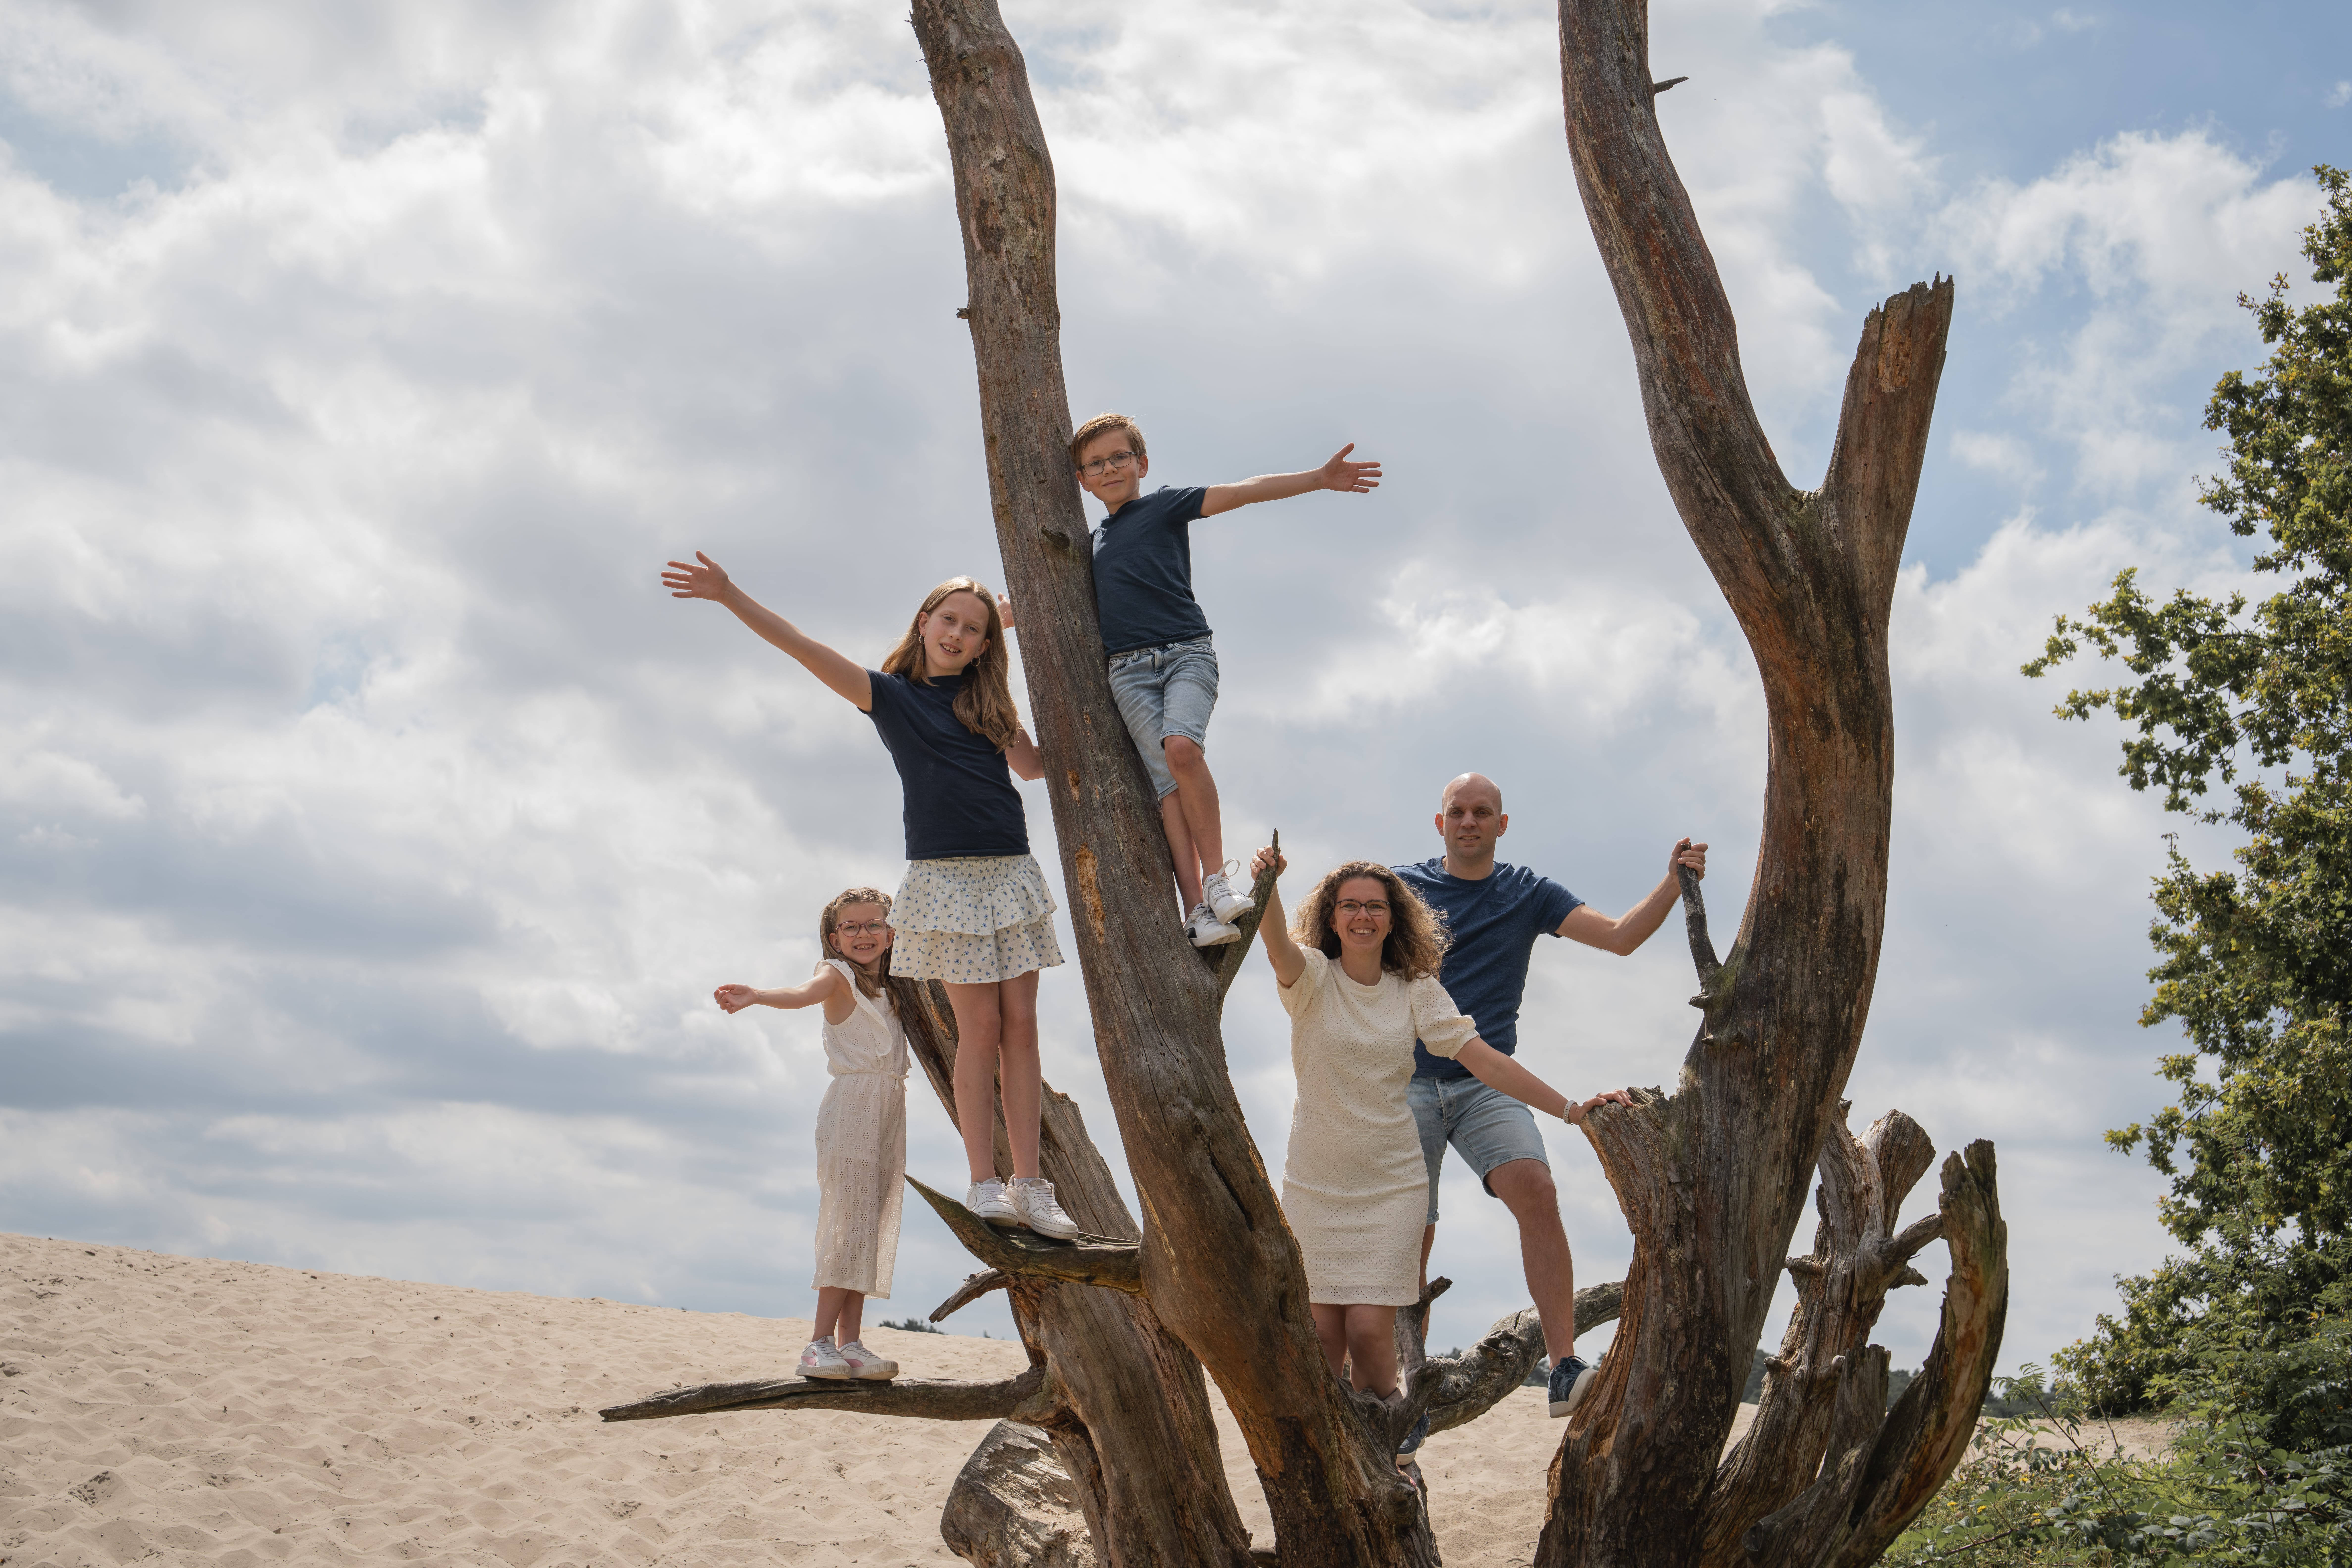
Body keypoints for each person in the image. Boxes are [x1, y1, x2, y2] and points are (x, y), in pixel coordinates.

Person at [664, 555, 1078, 1240]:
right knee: (978, 1033)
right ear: (923, 623)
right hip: (944, 880)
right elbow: (803, 648)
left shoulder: (991, 704)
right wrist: (730, 594)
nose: (957, 635)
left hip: (1010, 872)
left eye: (974, 630)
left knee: (1022, 1029)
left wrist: (1020, 641)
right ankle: (986, 1182)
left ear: (985, 646)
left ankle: (1032, 1184)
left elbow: (1034, 770)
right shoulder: (889, 695)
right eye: (948, 620)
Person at [1247, 843, 1630, 1450]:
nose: (1363, 917)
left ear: (1394, 918)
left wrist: (1569, 1110)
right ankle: (1335, 1460)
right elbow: (1275, 946)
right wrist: (1265, 887)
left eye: (1375, 906)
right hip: (1317, 1184)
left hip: (1392, 1181)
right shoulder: (1313, 980)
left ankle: (1392, 1447)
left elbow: (1487, 1063)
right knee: (1321, 1337)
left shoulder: (1416, 990)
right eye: (1349, 906)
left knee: (1373, 1331)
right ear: (1332, 916)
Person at [1395, 772, 1707, 1416]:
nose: (1470, 821)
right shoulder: (1403, 890)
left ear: (1502, 825)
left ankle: (1564, 1369)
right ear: (1440, 822)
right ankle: (1405, 1389)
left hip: (1489, 1081)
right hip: (1405, 1083)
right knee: (1409, 1236)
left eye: (1483, 812)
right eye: (1459, 812)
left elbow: (1620, 937)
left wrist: (1675, 883)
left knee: (1537, 1188)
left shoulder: (1527, 893)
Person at [1069, 412, 1381, 947]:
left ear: (1142, 463)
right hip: (1126, 670)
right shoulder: (1090, 540)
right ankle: (1197, 911)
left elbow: (1242, 492)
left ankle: (1218, 880)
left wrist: (1318, 478)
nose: (1110, 468)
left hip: (1186, 653)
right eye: (1095, 464)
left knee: (1183, 750)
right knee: (1167, 786)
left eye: (1120, 456)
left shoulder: (1162, 506)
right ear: (1082, 479)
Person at [715, 888, 915, 1382]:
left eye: (874, 925)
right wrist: (758, 995)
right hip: (853, 1108)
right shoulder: (837, 974)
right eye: (852, 928)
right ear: (835, 938)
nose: (864, 935)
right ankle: (817, 1344)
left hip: (889, 1108)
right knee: (848, 1222)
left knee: (869, 1224)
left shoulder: (897, 986)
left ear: (893, 933)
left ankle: (851, 1345)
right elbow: (803, 994)